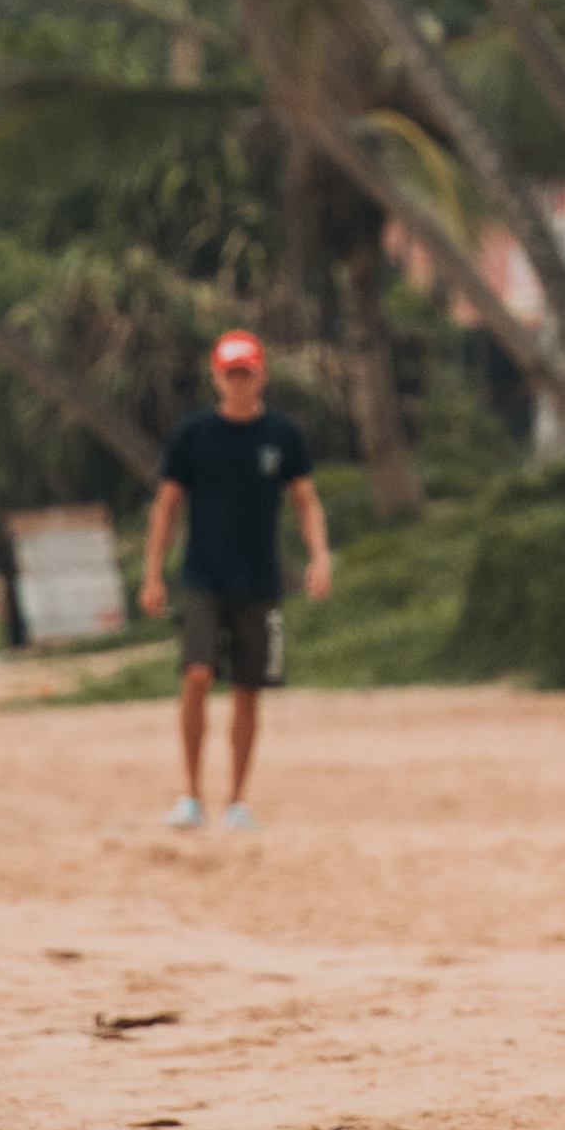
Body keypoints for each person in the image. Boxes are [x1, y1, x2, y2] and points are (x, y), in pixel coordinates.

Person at [139, 328, 331, 830]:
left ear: (261, 373)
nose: (239, 381)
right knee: (197, 675)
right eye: (231, 374)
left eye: (246, 372)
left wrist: (319, 558)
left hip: (259, 581)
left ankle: (238, 801)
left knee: (247, 691)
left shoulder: (282, 435)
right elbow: (166, 507)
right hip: (202, 575)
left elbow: (306, 501)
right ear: (217, 377)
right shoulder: (193, 434)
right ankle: (190, 795)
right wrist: (153, 574)